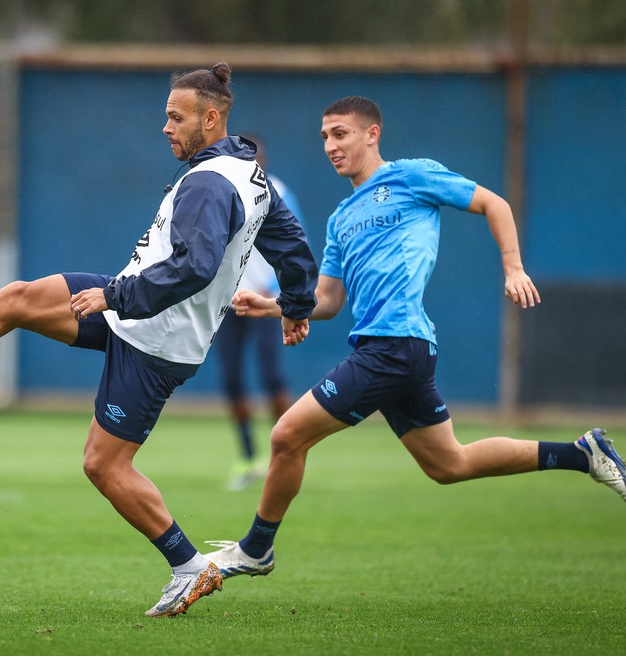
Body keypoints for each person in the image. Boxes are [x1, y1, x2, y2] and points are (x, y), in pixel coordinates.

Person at [0, 63, 318, 617]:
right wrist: (297, 306)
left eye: (176, 118)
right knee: (18, 299)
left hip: (157, 339)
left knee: (103, 465)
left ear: (210, 119)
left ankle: (189, 566)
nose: (165, 127)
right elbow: (293, 248)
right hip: (133, 311)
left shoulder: (209, 183)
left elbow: (195, 268)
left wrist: (116, 295)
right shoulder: (249, 176)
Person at [205, 95, 625, 581]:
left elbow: (494, 203)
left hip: (395, 345)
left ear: (372, 134)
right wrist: (274, 306)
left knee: (285, 436)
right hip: (393, 349)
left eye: (340, 134)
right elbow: (329, 300)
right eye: (324, 137)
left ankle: (256, 549)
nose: (330, 146)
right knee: (449, 464)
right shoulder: (340, 218)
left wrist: (513, 268)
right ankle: (582, 453)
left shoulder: (410, 176)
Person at [214, 134, 306, 491]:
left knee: (272, 378)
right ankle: (248, 458)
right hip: (229, 304)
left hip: (267, 303)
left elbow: (296, 242)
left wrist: (275, 287)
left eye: (256, 155)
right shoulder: (220, 190)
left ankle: (287, 453)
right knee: (231, 380)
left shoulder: (277, 191)